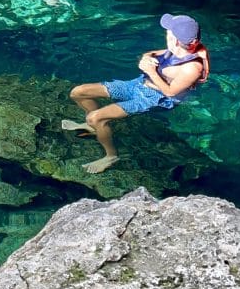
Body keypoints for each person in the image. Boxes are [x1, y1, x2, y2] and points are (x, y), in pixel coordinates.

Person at [62, 14, 210, 174]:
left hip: (154, 98)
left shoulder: (192, 68)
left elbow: (170, 91)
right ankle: (95, 128)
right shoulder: (177, 49)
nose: (165, 33)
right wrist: (146, 58)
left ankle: (111, 156)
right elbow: (151, 53)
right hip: (137, 83)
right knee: (78, 92)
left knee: (95, 117)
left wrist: (150, 70)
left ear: (175, 40)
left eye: (168, 32)